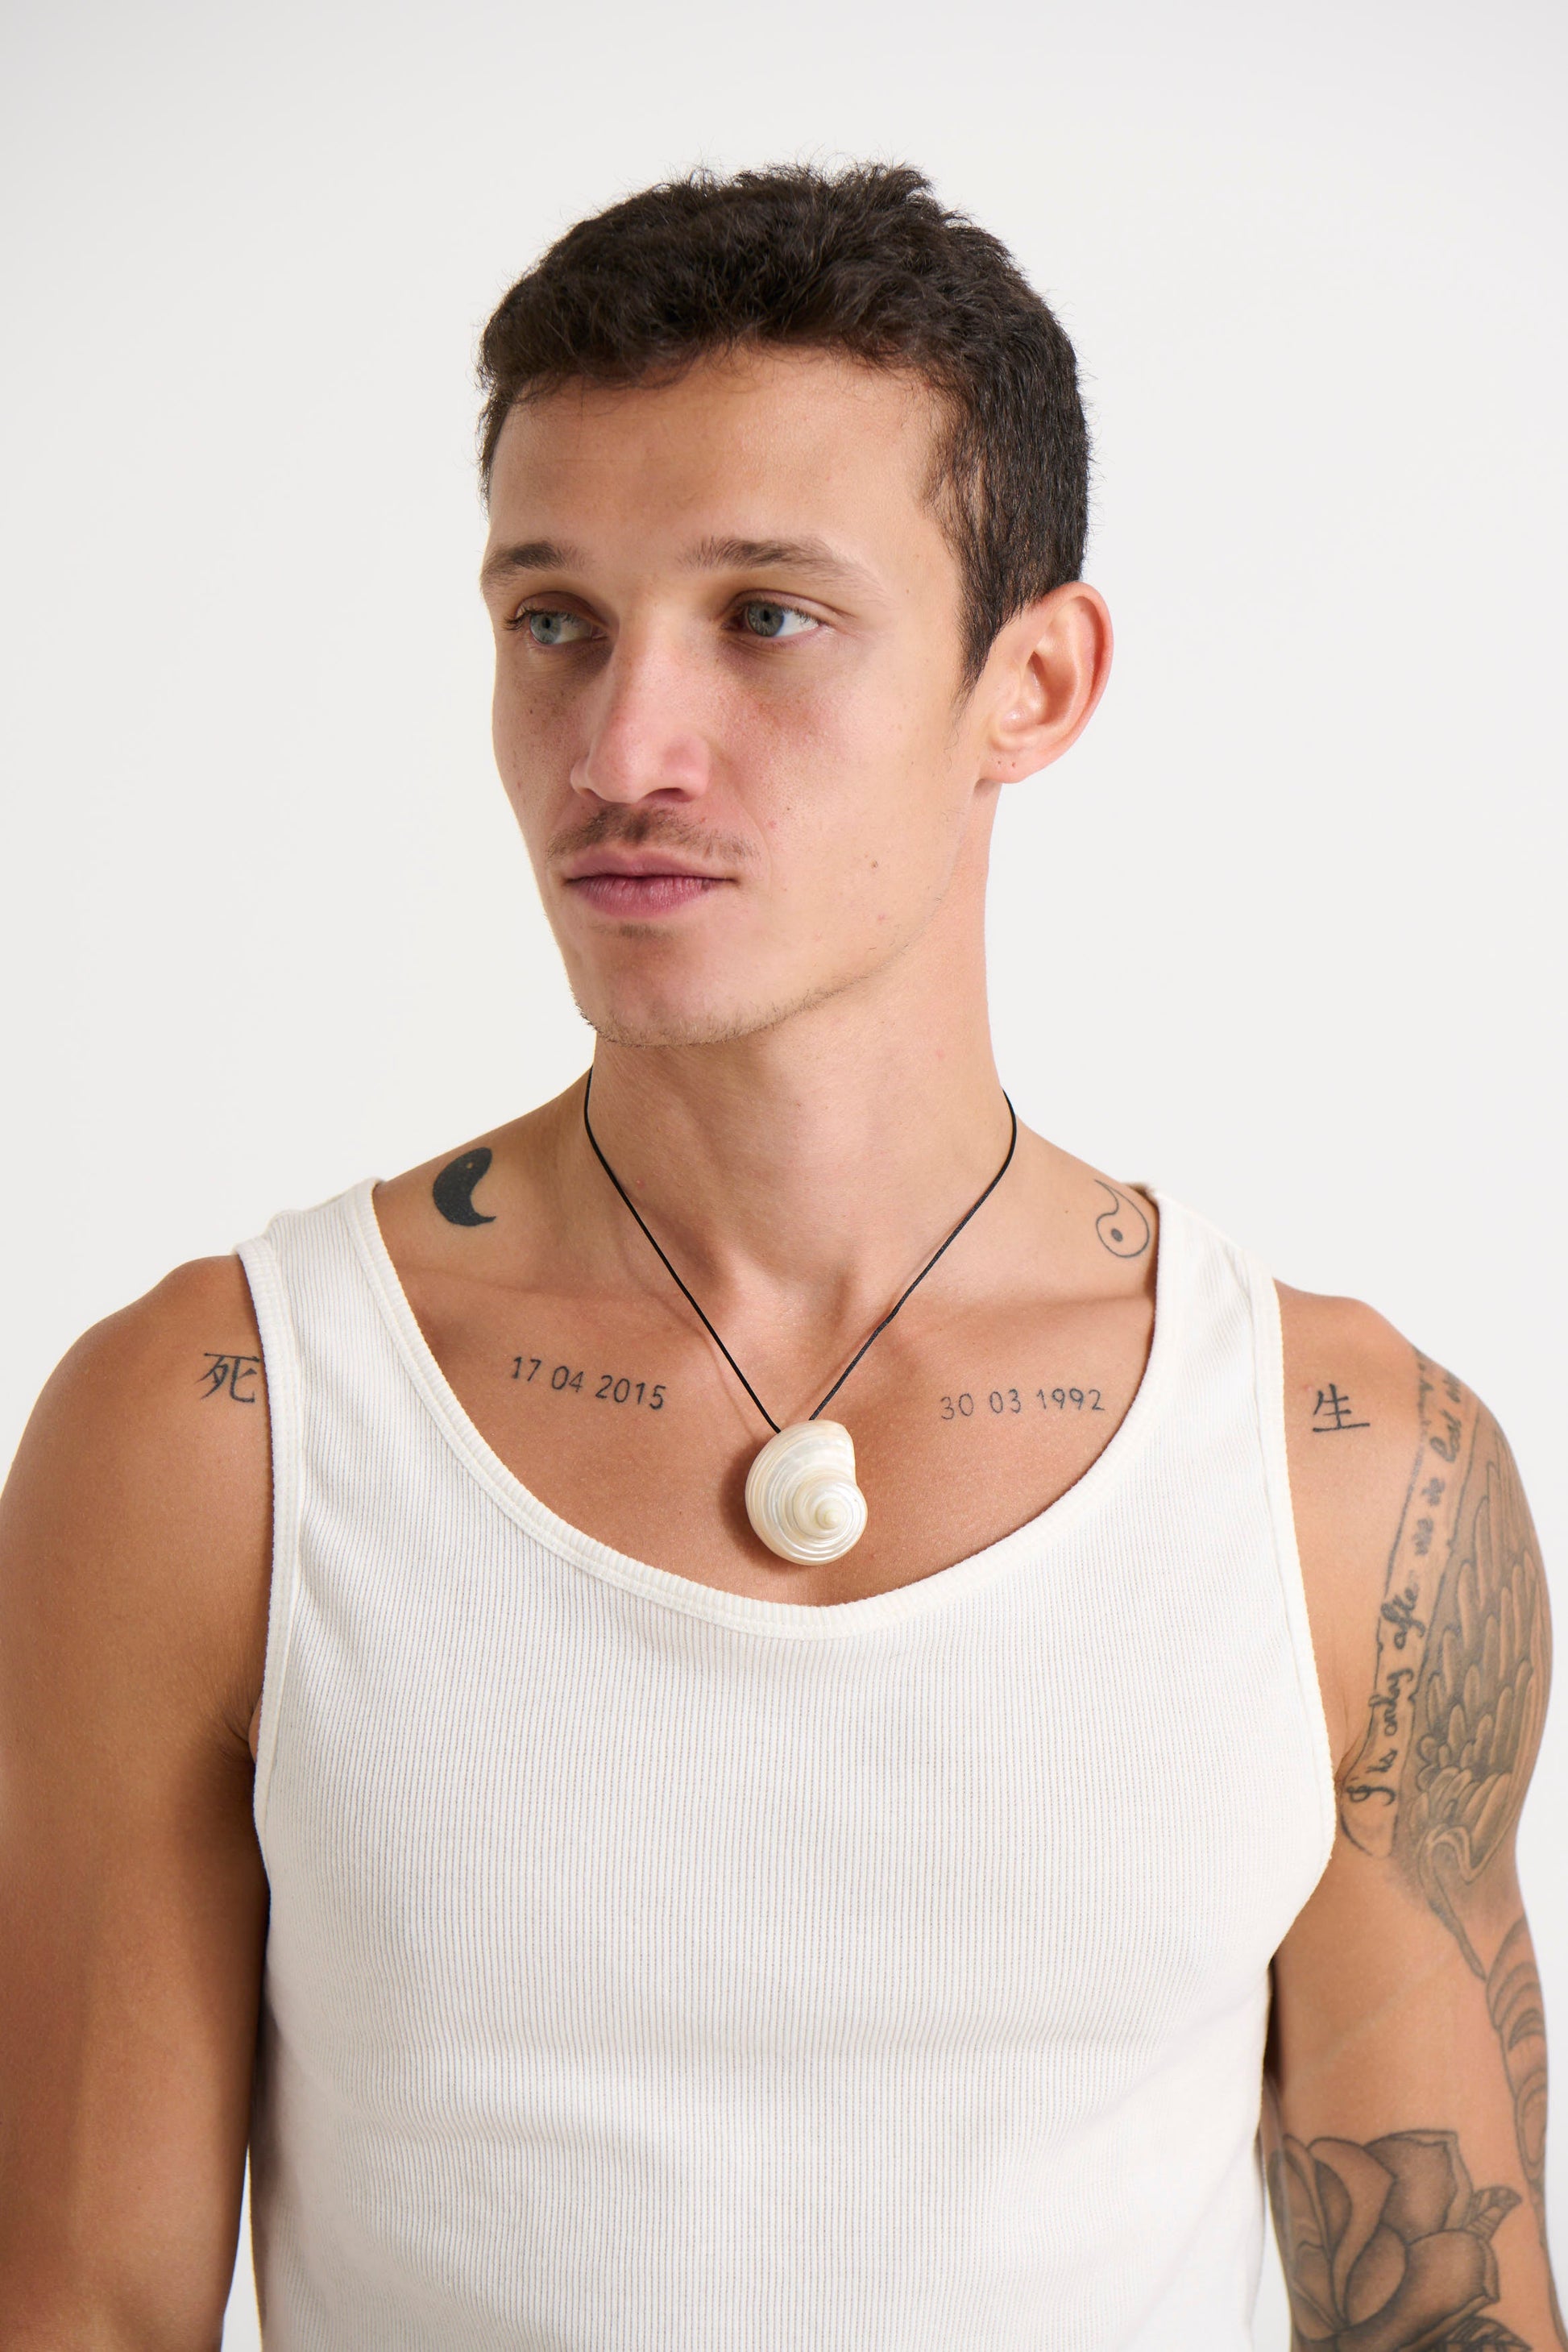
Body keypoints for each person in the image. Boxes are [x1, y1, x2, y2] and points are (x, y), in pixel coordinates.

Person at [0, 161, 1557, 2351]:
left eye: (766, 618)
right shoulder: (221, 1429)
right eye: (553, 619)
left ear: (1032, 682)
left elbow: (1446, 2316)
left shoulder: (1340, 1467)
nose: (619, 752)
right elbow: (82, 2312)